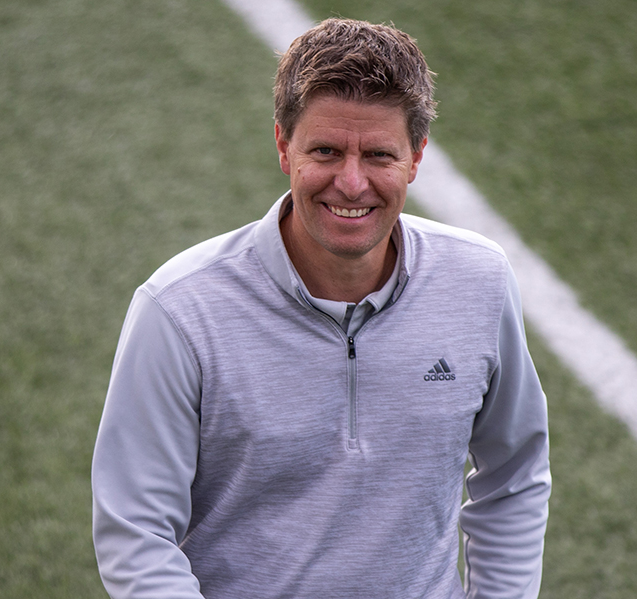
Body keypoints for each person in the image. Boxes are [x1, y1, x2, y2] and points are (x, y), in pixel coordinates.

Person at [91, 18, 550, 599]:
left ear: (417, 156)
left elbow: (514, 476)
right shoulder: (180, 309)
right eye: (327, 151)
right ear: (284, 146)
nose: (352, 183)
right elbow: (135, 529)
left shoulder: (480, 281)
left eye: (379, 155)